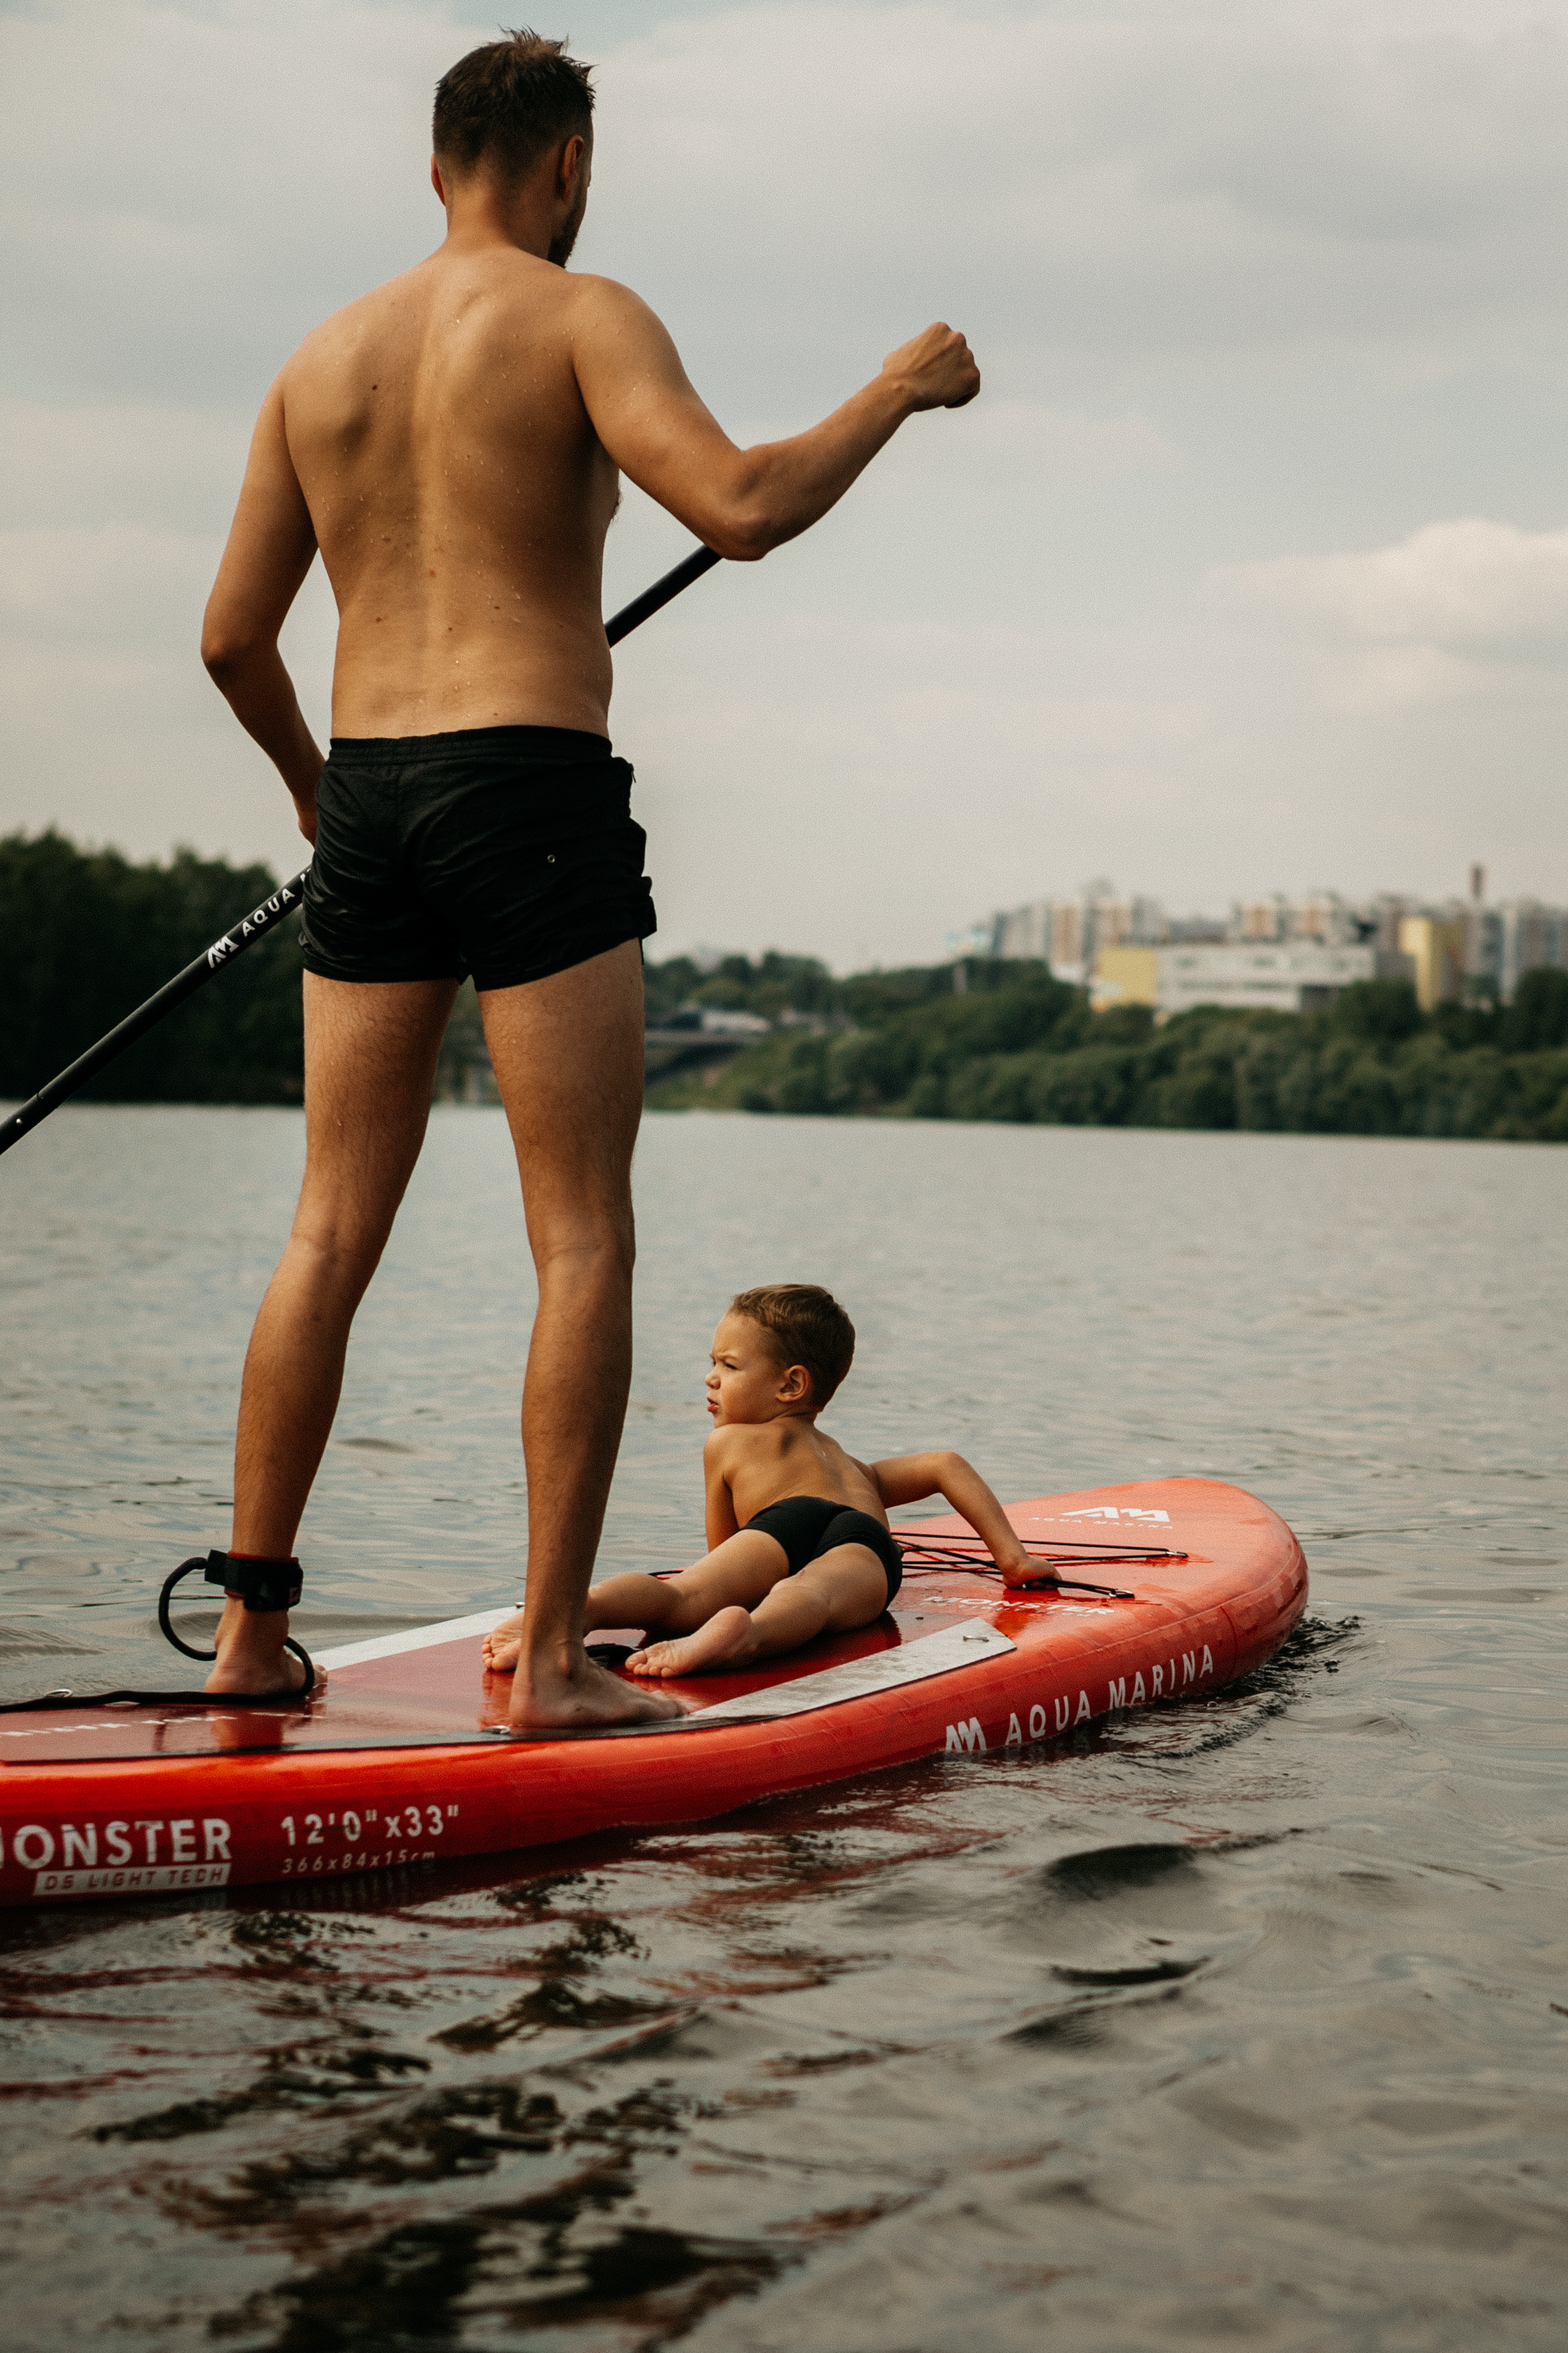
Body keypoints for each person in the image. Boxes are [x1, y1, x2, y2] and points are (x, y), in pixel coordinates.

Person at [195, 32, 979, 1724]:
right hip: (527, 788)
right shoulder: (581, 315)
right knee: (580, 1239)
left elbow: (232, 641)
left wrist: (321, 799)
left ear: (433, 168)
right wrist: (895, 392)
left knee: (326, 1228)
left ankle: (250, 1639)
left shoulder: (317, 360)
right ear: (568, 167)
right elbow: (741, 507)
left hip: (374, 800)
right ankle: (551, 1663)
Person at [481, 1284, 1032, 1681]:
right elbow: (944, 1464)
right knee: (810, 1597)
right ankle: (749, 1635)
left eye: (729, 1365)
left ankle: (581, 1611)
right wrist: (1013, 1560)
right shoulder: (853, 1468)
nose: (710, 1378)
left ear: (790, 1385)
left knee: (681, 1595)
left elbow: (720, 1551)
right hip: (864, 1541)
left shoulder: (728, 1443)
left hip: (781, 1523)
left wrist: (717, 1589)